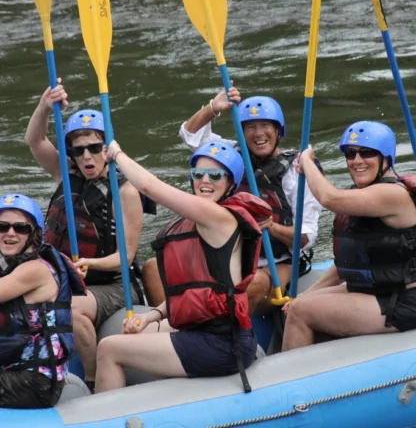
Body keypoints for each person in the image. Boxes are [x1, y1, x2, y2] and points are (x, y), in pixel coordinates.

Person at [95, 140, 272, 393]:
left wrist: (117, 155)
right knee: (131, 337)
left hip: (222, 344)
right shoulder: (202, 222)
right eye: (198, 174)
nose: (205, 181)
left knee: (108, 349)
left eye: (215, 175)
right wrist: (150, 316)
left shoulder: (219, 217)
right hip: (208, 333)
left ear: (230, 183)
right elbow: (198, 290)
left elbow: (148, 186)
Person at [143, 87, 322, 312]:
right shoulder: (230, 154)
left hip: (273, 265)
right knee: (152, 268)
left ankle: (215, 333)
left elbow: (306, 237)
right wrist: (213, 108)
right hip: (222, 255)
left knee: (251, 282)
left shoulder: (298, 169)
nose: (258, 134)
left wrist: (271, 227)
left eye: (265, 125)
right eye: (250, 127)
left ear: (278, 130)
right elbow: (190, 135)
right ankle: (173, 328)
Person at [25, 81, 153, 392]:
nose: (87, 156)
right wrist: (44, 105)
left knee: (70, 309)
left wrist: (89, 262)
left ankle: (95, 381)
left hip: (112, 286)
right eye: (79, 150)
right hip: (64, 278)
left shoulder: (124, 190)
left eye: (95, 147)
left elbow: (128, 256)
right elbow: (35, 139)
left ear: (107, 148)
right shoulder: (65, 174)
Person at [282, 121, 416, 351]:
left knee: (300, 312)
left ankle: (287, 384)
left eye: (367, 153)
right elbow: (346, 265)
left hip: (403, 301)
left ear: (386, 159)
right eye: (350, 154)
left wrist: (306, 161)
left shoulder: (392, 194)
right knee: (300, 303)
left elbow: (329, 198)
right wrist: (307, 294)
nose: (357, 160)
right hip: (377, 291)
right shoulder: (361, 195)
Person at [0, 193, 86, 408]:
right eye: (2, 227)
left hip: (33, 383)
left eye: (20, 228)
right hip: (16, 372)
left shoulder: (34, 270)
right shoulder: (15, 269)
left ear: (35, 235)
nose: (9, 233)